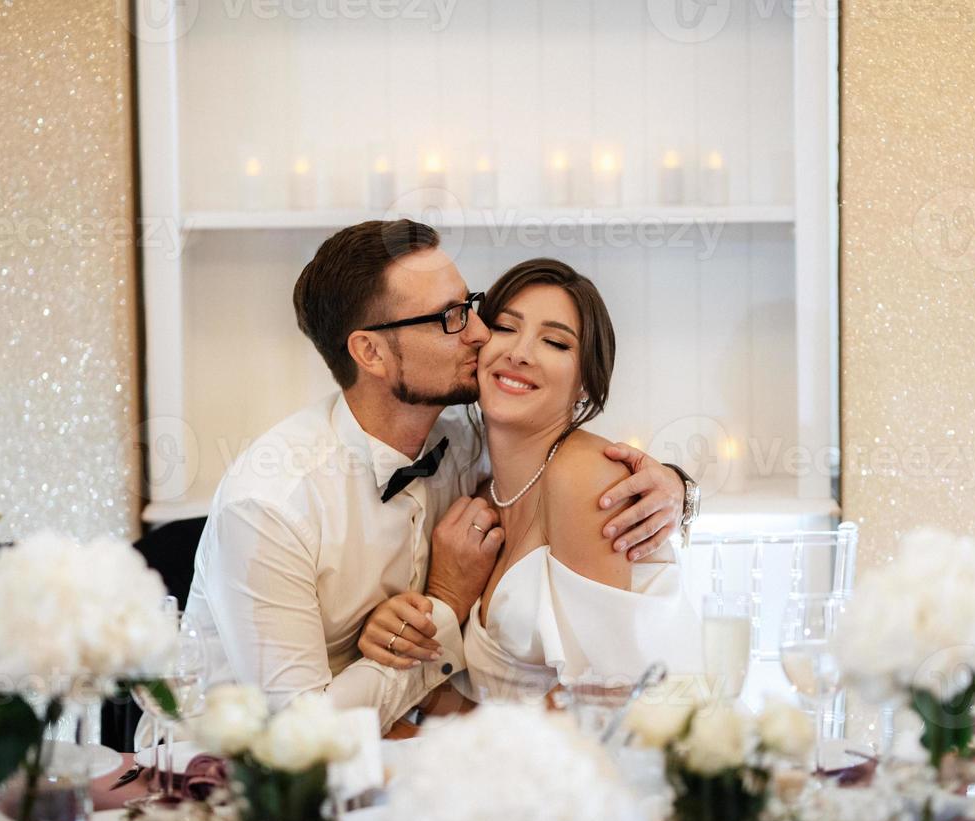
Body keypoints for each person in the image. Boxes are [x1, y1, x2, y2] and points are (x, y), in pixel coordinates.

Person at [183, 220, 695, 732]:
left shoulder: (472, 443)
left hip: (435, 749)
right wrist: (444, 605)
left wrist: (677, 488)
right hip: (229, 772)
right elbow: (298, 736)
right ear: (370, 353)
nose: (480, 333)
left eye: (469, 305)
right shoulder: (271, 503)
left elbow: (608, 689)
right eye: (449, 317)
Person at [361, 258, 702, 704]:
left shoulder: (583, 476)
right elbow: (487, 700)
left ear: (585, 381)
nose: (520, 353)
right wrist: (399, 633)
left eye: (556, 342)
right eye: (505, 328)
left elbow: (603, 704)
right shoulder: (479, 488)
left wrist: (682, 489)